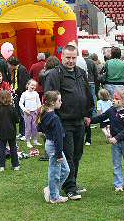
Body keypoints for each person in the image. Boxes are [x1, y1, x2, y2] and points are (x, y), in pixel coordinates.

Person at [44, 44, 93, 200]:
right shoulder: (54, 74)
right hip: (63, 122)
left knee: (77, 154)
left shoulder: (80, 73)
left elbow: (86, 93)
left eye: (73, 57)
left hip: (80, 120)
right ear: (62, 57)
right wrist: (54, 119)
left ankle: (71, 182)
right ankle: (70, 188)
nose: (71, 61)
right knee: (68, 155)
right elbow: (50, 98)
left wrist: (87, 113)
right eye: (68, 58)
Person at [87, 90, 124, 192]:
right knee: (116, 164)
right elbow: (101, 117)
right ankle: (118, 184)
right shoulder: (111, 110)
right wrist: (90, 120)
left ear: (123, 101)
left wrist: (116, 138)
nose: (113, 100)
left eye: (117, 99)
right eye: (113, 98)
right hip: (115, 144)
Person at [39, 91, 70, 204]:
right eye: (59, 100)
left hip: (51, 144)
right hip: (54, 146)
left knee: (66, 170)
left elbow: (40, 129)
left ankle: (51, 189)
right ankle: (54, 197)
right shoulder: (53, 118)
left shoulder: (46, 113)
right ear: (52, 103)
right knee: (55, 172)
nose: (61, 102)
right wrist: (59, 154)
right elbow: (58, 138)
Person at [0, 90, 20, 172]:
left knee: (2, 148)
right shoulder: (12, 108)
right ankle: (15, 165)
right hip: (11, 131)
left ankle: (1, 165)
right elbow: (17, 120)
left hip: (1, 131)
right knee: (13, 148)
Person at [8, 56, 30, 139]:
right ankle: (21, 132)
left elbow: (24, 83)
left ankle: (25, 133)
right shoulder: (15, 70)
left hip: (22, 94)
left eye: (9, 64)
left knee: (24, 114)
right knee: (20, 114)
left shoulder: (22, 69)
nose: (9, 66)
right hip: (18, 94)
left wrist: (16, 90)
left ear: (13, 64)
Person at [82, 49, 99, 146]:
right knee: (92, 100)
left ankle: (89, 119)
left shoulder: (81, 61)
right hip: (91, 82)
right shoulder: (92, 62)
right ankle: (93, 118)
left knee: (86, 101)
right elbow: (96, 74)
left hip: (85, 82)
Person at [19, 79, 42, 148]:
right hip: (27, 113)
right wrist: (25, 110)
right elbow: (20, 103)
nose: (33, 87)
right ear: (28, 85)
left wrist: (39, 109)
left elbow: (38, 103)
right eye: (32, 85)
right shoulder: (24, 94)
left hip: (35, 112)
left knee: (35, 127)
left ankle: (35, 141)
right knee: (28, 127)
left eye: (35, 86)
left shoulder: (36, 94)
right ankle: (28, 141)